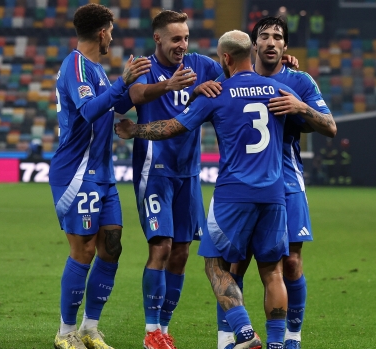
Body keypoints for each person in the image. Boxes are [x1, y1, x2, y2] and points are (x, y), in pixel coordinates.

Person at [116, 29, 302, 349]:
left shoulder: (218, 93)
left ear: (226, 59)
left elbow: (173, 127)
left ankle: (244, 332)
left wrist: (135, 130)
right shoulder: (279, 89)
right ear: (251, 54)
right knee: (272, 272)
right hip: (275, 194)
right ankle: (277, 344)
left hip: (234, 192)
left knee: (215, 264)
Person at [218, 16, 337, 349]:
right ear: (254, 44)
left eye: (278, 37)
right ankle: (228, 337)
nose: (271, 42)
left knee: (291, 262)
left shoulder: (299, 81)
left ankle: (291, 338)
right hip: (243, 181)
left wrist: (300, 107)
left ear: (285, 47)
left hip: (286, 179)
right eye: (265, 36)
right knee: (233, 262)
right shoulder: (234, 75)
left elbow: (330, 126)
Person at [49, 4, 151, 349]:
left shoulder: (95, 69)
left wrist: (132, 84)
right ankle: (65, 332)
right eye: (111, 30)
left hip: (102, 172)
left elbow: (112, 104)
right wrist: (123, 80)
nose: (113, 36)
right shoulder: (75, 65)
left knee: (111, 245)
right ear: (102, 32)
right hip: (77, 172)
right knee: (85, 250)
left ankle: (90, 328)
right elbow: (91, 110)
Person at [126, 10, 222, 349]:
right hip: (155, 171)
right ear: (158, 39)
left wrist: (282, 65)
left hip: (189, 173)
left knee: (181, 252)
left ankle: (164, 330)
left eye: (185, 38)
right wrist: (169, 85)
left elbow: (239, 75)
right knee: (161, 246)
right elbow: (135, 96)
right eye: (175, 39)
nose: (182, 45)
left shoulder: (203, 65)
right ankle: (151, 331)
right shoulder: (143, 65)